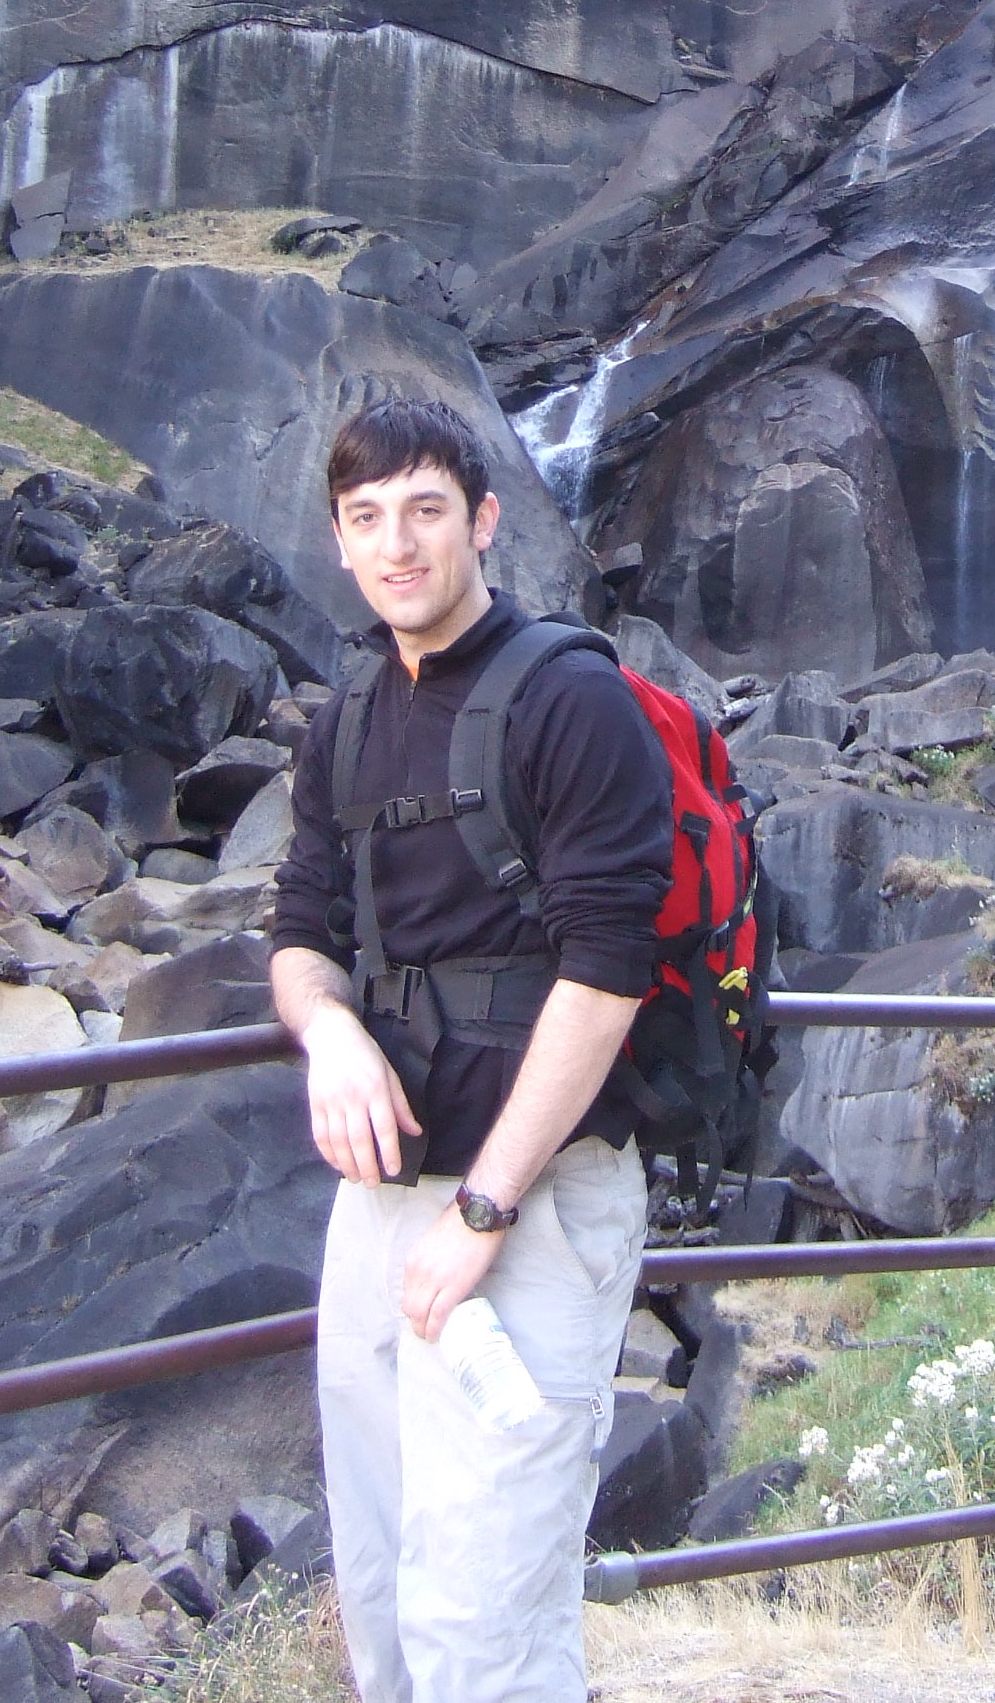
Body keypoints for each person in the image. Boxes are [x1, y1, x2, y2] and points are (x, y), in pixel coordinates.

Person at [269, 395, 672, 1703]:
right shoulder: (343, 720)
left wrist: (485, 1209)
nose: (398, 545)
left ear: (484, 520)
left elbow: (607, 973)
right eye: (367, 518)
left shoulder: (571, 698)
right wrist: (330, 1029)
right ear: (340, 539)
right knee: (384, 1596)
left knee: (483, 1625)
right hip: (382, 1205)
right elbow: (301, 933)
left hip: (534, 1206)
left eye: (425, 510)